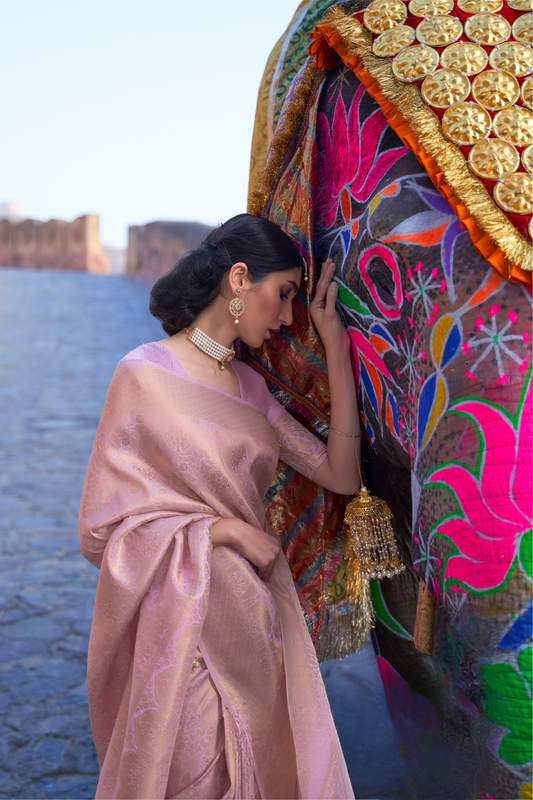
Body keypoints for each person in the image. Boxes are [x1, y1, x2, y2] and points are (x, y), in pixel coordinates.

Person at [79, 213, 360, 800]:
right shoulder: (143, 375)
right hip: (181, 631)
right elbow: (102, 533)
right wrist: (222, 531)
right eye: (282, 294)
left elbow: (341, 474)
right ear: (238, 279)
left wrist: (336, 349)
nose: (287, 317)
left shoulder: (254, 391)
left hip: (253, 624)